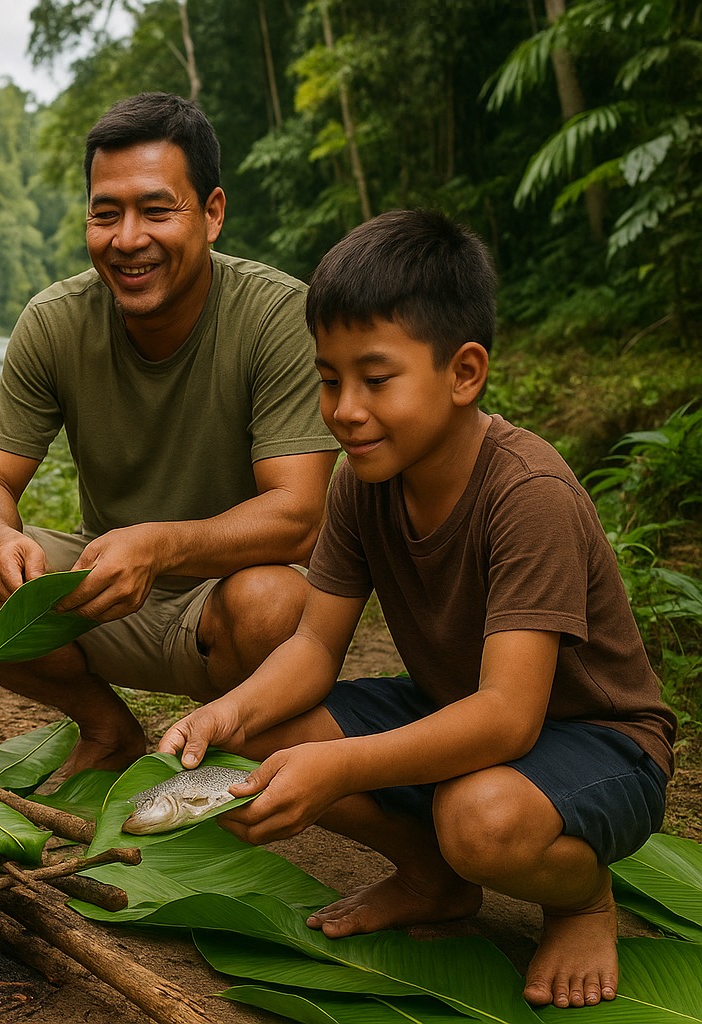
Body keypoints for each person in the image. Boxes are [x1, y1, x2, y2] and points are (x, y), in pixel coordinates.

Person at [159, 209, 675, 1009]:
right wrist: (222, 716)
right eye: (329, 379)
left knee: (481, 818)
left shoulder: (526, 494)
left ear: (464, 373)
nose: (345, 409)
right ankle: (433, 877)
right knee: (254, 744)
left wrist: (337, 768)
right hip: (451, 711)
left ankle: (580, 899)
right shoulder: (365, 484)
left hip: (598, 741)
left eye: (376, 377)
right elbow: (311, 648)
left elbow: (509, 718)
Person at [0, 92, 337, 782]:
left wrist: (161, 543)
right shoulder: (55, 321)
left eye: (155, 209)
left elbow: (299, 518)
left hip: (225, 597)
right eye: (105, 213)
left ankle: (226, 739)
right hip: (104, 589)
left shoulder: (278, 315)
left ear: (211, 215)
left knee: (275, 602)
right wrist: (2, 543)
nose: (127, 238)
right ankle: (106, 727)